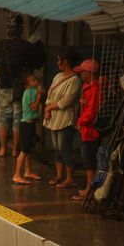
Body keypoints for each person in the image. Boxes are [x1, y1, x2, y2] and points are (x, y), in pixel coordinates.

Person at [0, 14, 44, 157]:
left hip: (4, 84)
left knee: (4, 116)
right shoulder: (26, 46)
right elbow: (37, 63)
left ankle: (2, 149)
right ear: (21, 29)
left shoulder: (0, 44)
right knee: (17, 117)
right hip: (20, 87)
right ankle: (15, 150)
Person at [44, 49, 82, 189]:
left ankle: (69, 177)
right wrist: (48, 108)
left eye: (59, 59)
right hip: (54, 117)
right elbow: (50, 93)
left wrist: (50, 107)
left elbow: (68, 100)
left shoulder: (75, 80)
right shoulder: (58, 76)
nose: (58, 62)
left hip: (65, 118)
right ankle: (59, 175)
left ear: (65, 61)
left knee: (64, 148)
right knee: (56, 148)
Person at [72, 59, 101, 201]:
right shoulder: (87, 87)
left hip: (90, 131)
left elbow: (91, 110)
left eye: (83, 71)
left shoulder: (94, 89)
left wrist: (80, 122)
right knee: (88, 160)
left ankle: (91, 188)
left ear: (89, 73)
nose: (81, 74)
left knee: (90, 160)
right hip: (86, 131)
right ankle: (90, 187)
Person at [12, 73, 44, 185]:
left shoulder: (32, 91)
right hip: (27, 124)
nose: (36, 82)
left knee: (29, 149)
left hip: (30, 124)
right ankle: (17, 174)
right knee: (24, 150)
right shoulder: (29, 92)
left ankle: (28, 171)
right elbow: (34, 106)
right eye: (33, 80)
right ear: (27, 85)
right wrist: (39, 95)